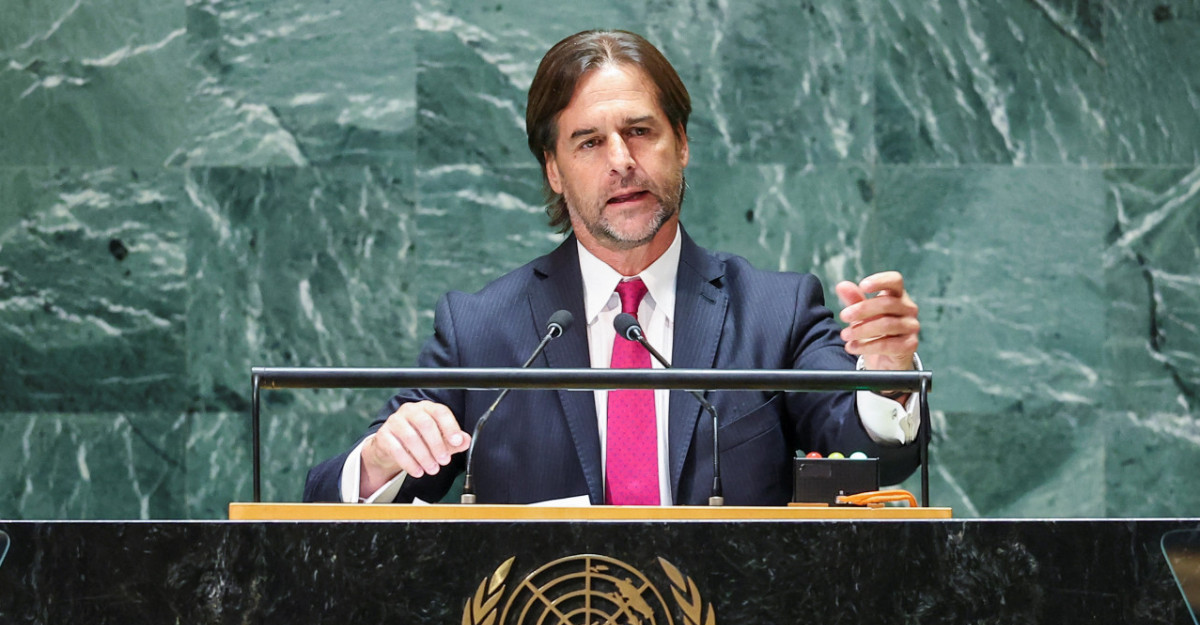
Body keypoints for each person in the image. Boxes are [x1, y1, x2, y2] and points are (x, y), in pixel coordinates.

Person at [303, 29, 922, 506]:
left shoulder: (774, 312)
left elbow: (866, 455)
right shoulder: (481, 329)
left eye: (640, 131)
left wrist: (888, 379)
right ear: (553, 168)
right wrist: (385, 456)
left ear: (681, 143)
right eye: (589, 142)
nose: (622, 161)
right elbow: (337, 503)